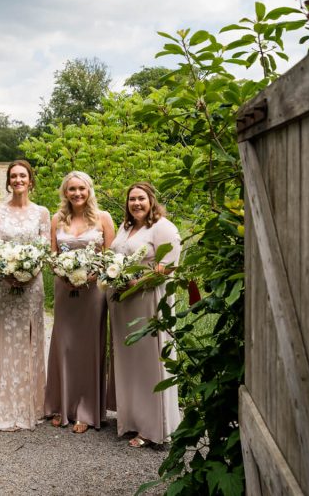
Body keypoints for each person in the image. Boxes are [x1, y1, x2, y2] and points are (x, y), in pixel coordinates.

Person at [108, 182, 182, 447]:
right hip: (124, 304)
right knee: (131, 365)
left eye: (141, 198)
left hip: (149, 302)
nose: (136, 203)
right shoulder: (127, 227)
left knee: (151, 364)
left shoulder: (163, 227)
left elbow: (168, 266)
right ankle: (133, 421)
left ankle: (154, 429)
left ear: (151, 200)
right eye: (131, 199)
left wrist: (136, 282)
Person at [43, 171, 115, 433]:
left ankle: (86, 410)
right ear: (65, 192)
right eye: (71, 189)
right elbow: (52, 256)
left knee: (88, 348)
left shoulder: (103, 218)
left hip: (94, 291)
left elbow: (111, 257)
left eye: (81, 189)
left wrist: (90, 275)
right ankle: (62, 405)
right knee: (64, 345)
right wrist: (64, 275)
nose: (77, 194)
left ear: (89, 190)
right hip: (65, 290)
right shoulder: (57, 219)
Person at [0, 160, 51, 431]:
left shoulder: (42, 213)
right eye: (13, 176)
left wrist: (31, 273)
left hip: (31, 288)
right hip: (2, 286)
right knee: (2, 339)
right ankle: (0, 405)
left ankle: (30, 406)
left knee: (28, 340)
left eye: (23, 175)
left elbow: (45, 248)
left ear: (30, 181)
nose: (18, 180)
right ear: (8, 182)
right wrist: (6, 272)